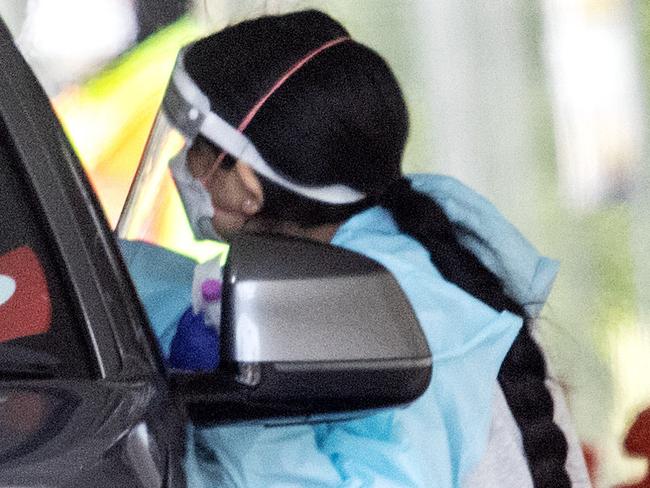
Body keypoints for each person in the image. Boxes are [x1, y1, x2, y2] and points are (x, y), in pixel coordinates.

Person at [118, 9, 592, 488]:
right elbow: (163, 291)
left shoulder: (368, 324)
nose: (184, 162)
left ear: (247, 185)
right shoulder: (430, 264)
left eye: (196, 145)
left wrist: (232, 416)